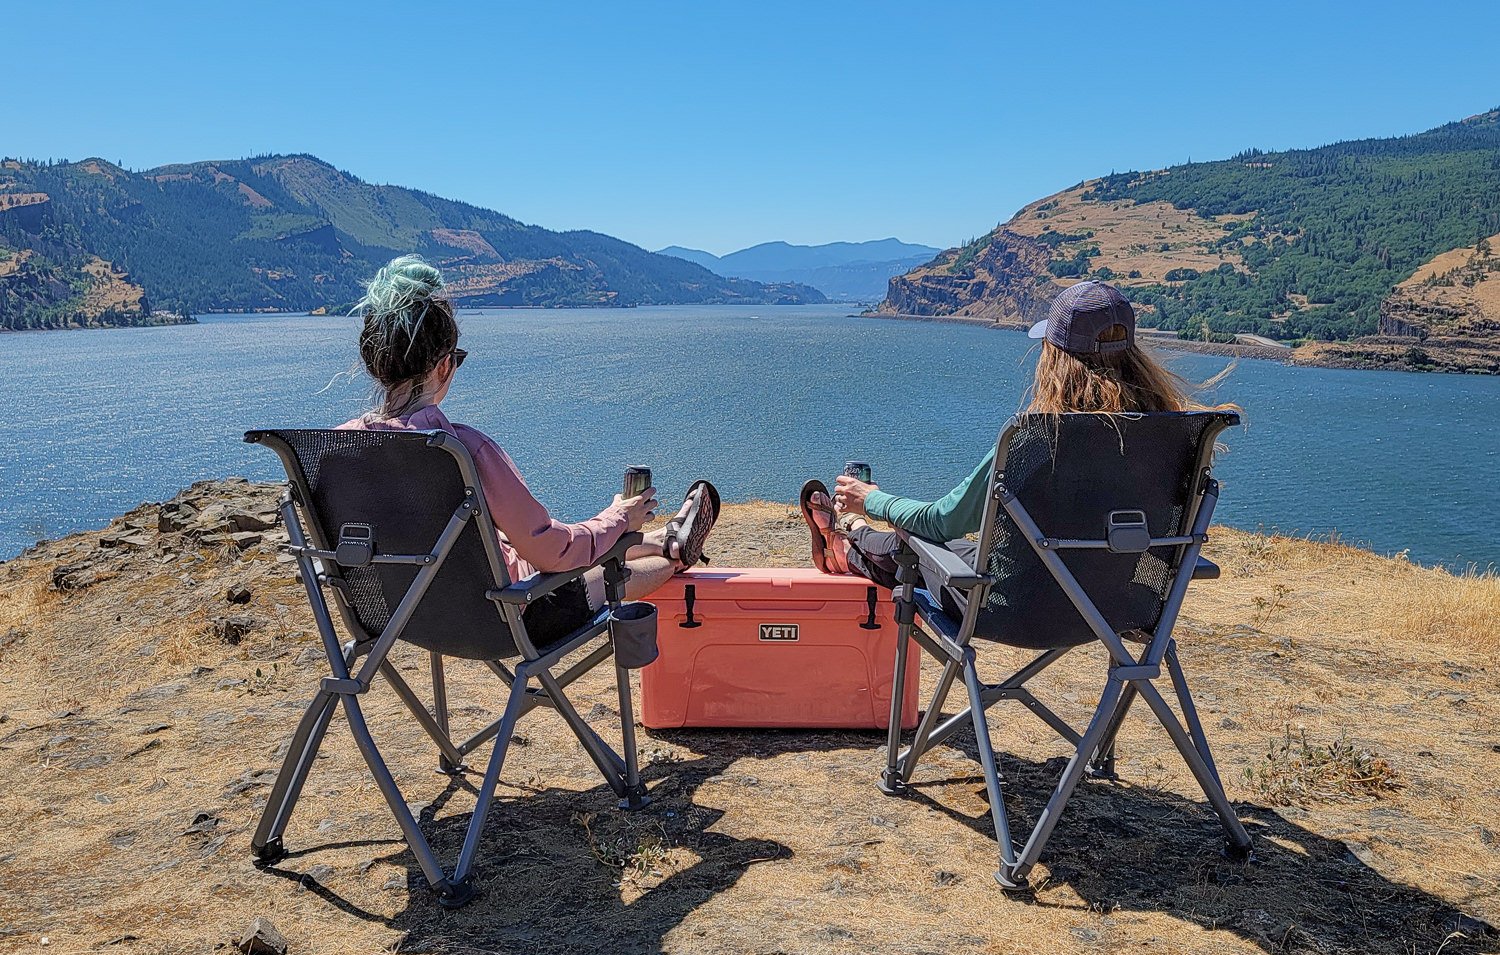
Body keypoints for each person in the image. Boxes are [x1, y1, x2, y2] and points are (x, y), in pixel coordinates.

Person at [339, 255, 719, 647]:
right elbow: (554, 552)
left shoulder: (339, 448)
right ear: (443, 366)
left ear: (374, 364)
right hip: (502, 621)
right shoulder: (461, 451)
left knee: (588, 549)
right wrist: (617, 516)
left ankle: (668, 537)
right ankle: (676, 556)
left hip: (398, 621)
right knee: (603, 575)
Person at [799, 280, 1231, 606]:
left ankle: (848, 539)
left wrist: (871, 499)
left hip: (1013, 607)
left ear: (1055, 357)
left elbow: (941, 521)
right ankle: (846, 543)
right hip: (1117, 605)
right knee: (957, 549)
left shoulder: (1037, 437)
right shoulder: (1172, 436)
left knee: (909, 543)